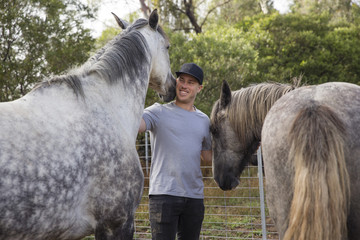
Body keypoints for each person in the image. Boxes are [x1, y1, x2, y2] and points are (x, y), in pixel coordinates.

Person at [138, 63, 212, 240]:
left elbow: (209, 157)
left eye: (191, 82)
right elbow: (136, 125)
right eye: (181, 80)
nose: (184, 85)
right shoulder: (158, 111)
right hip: (164, 195)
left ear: (199, 88)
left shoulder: (204, 120)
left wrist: (246, 153)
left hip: (194, 197)